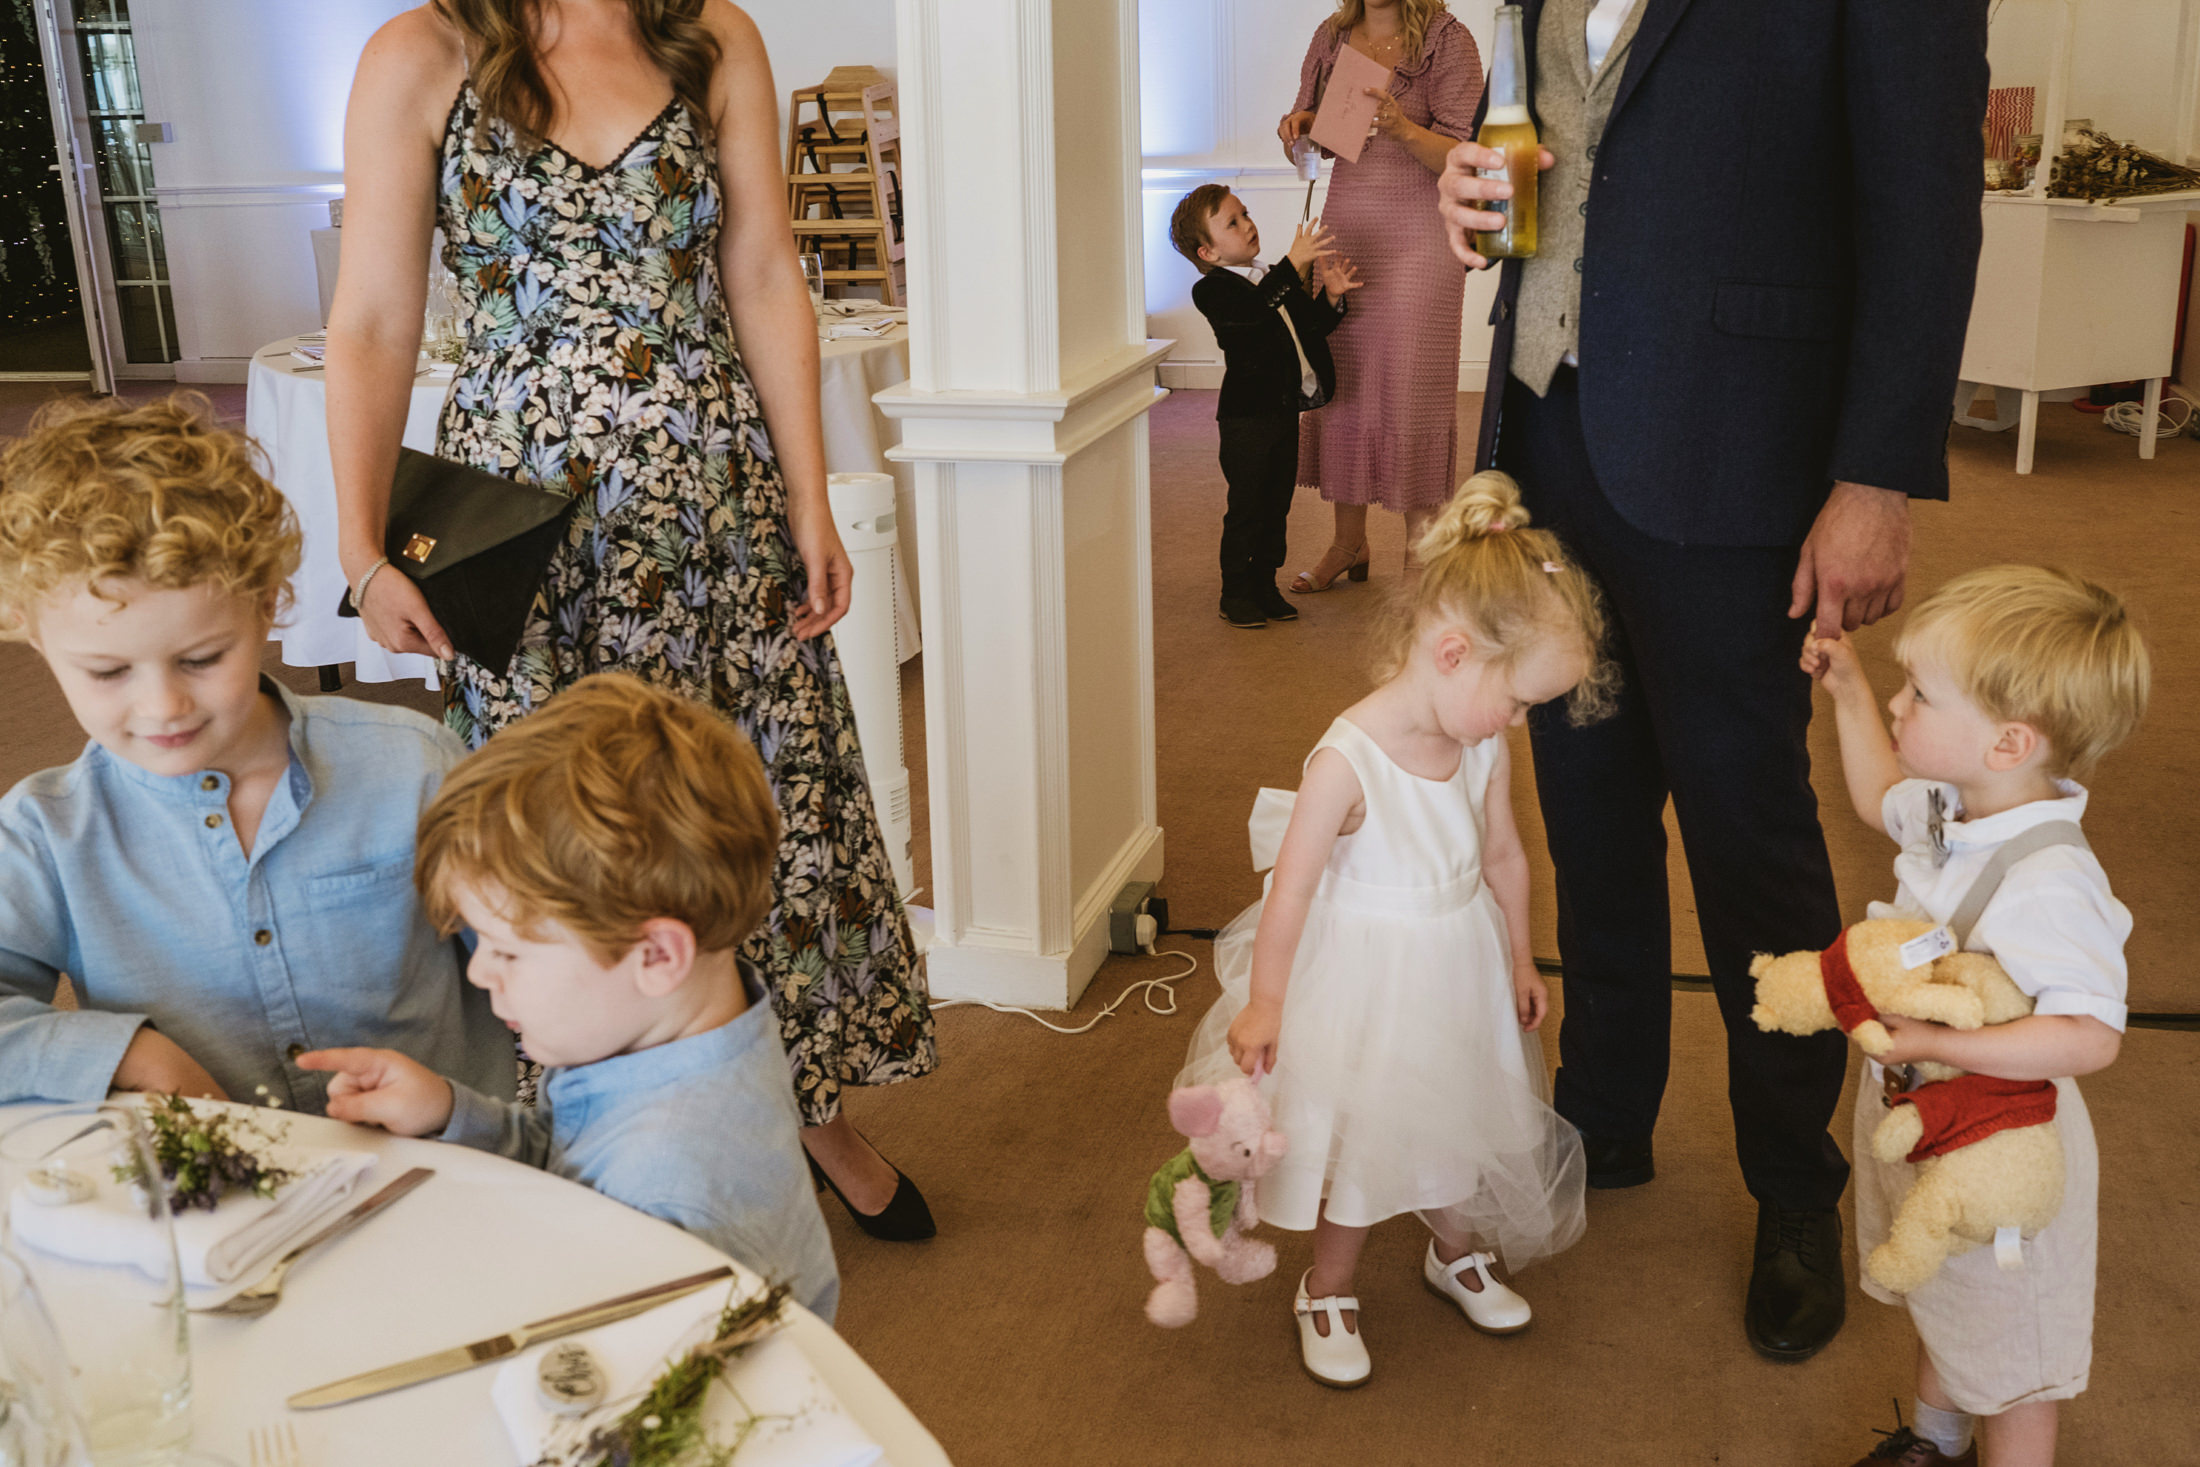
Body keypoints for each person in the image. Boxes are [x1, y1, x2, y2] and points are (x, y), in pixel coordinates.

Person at [1434, 0, 1991, 1359]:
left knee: (1752, 834)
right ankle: (1606, 1109)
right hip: (1551, 440)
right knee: (1585, 798)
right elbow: (1554, 136)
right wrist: (1474, 197)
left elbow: (1925, 206)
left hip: (1738, 454)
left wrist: (1875, 476)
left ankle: (1796, 1181)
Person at [327, 0, 935, 1239]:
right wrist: (363, 544)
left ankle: (801, 1104)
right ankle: (572, 1135)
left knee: (751, 809)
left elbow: (764, 270)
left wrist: (808, 495)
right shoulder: (420, 52)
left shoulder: (710, 34)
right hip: (518, 534)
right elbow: (376, 318)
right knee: (556, 839)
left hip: (717, 502)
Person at [1179, 472, 1605, 1387]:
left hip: (1458, 972)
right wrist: (1264, 1002)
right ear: (1453, 653)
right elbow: (1290, 891)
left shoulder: (1482, 741)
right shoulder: (1348, 757)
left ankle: (1450, 1249)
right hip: (1370, 987)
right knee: (1369, 1138)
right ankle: (1326, 1283)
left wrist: (1520, 955)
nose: (1521, 721)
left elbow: (1503, 858)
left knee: (1459, 1111)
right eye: (1519, 700)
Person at [0, 394, 512, 1112]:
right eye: (109, 672)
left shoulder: (414, 766)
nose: (163, 706)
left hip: (443, 1182)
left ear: (268, 603)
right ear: (33, 635)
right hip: (220, 1205)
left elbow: (558, 950)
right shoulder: (43, 833)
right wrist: (128, 1051)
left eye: (203, 657)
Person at [299, 673, 840, 1321]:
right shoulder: (677, 1035)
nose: (479, 974)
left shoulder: (669, 1195)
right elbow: (570, 1160)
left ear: (658, 955)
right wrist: (448, 1111)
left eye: (509, 951)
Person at [1802, 568, 2147, 1467]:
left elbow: (2090, 1034)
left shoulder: (2050, 881)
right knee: (1949, 1301)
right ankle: (1934, 1442)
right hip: (1930, 1107)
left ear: (2007, 742)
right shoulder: (1959, 805)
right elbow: (1880, 791)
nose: (1899, 702)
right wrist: (1848, 696)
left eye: (1919, 692)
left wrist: (1945, 1043)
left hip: (2004, 1145)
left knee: (2016, 1359)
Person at [1276, 0, 1480, 592]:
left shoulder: (1449, 40)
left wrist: (1399, 126)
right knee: (1348, 376)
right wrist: (1296, 130)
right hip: (1350, 223)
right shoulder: (1332, 34)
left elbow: (1461, 153)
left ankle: (1421, 551)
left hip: (1423, 230)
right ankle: (1348, 542)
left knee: (1412, 383)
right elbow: (1311, 143)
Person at [1172, 186, 1358, 630]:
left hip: (1282, 412)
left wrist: (1330, 297)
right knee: (1248, 506)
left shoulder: (1274, 276)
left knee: (1277, 505)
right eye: (1232, 223)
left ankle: (1264, 582)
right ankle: (1234, 591)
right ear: (1208, 251)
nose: (1248, 224)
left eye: (1246, 214)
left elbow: (1309, 329)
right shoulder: (1212, 291)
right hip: (1245, 419)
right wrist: (1294, 268)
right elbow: (1255, 316)